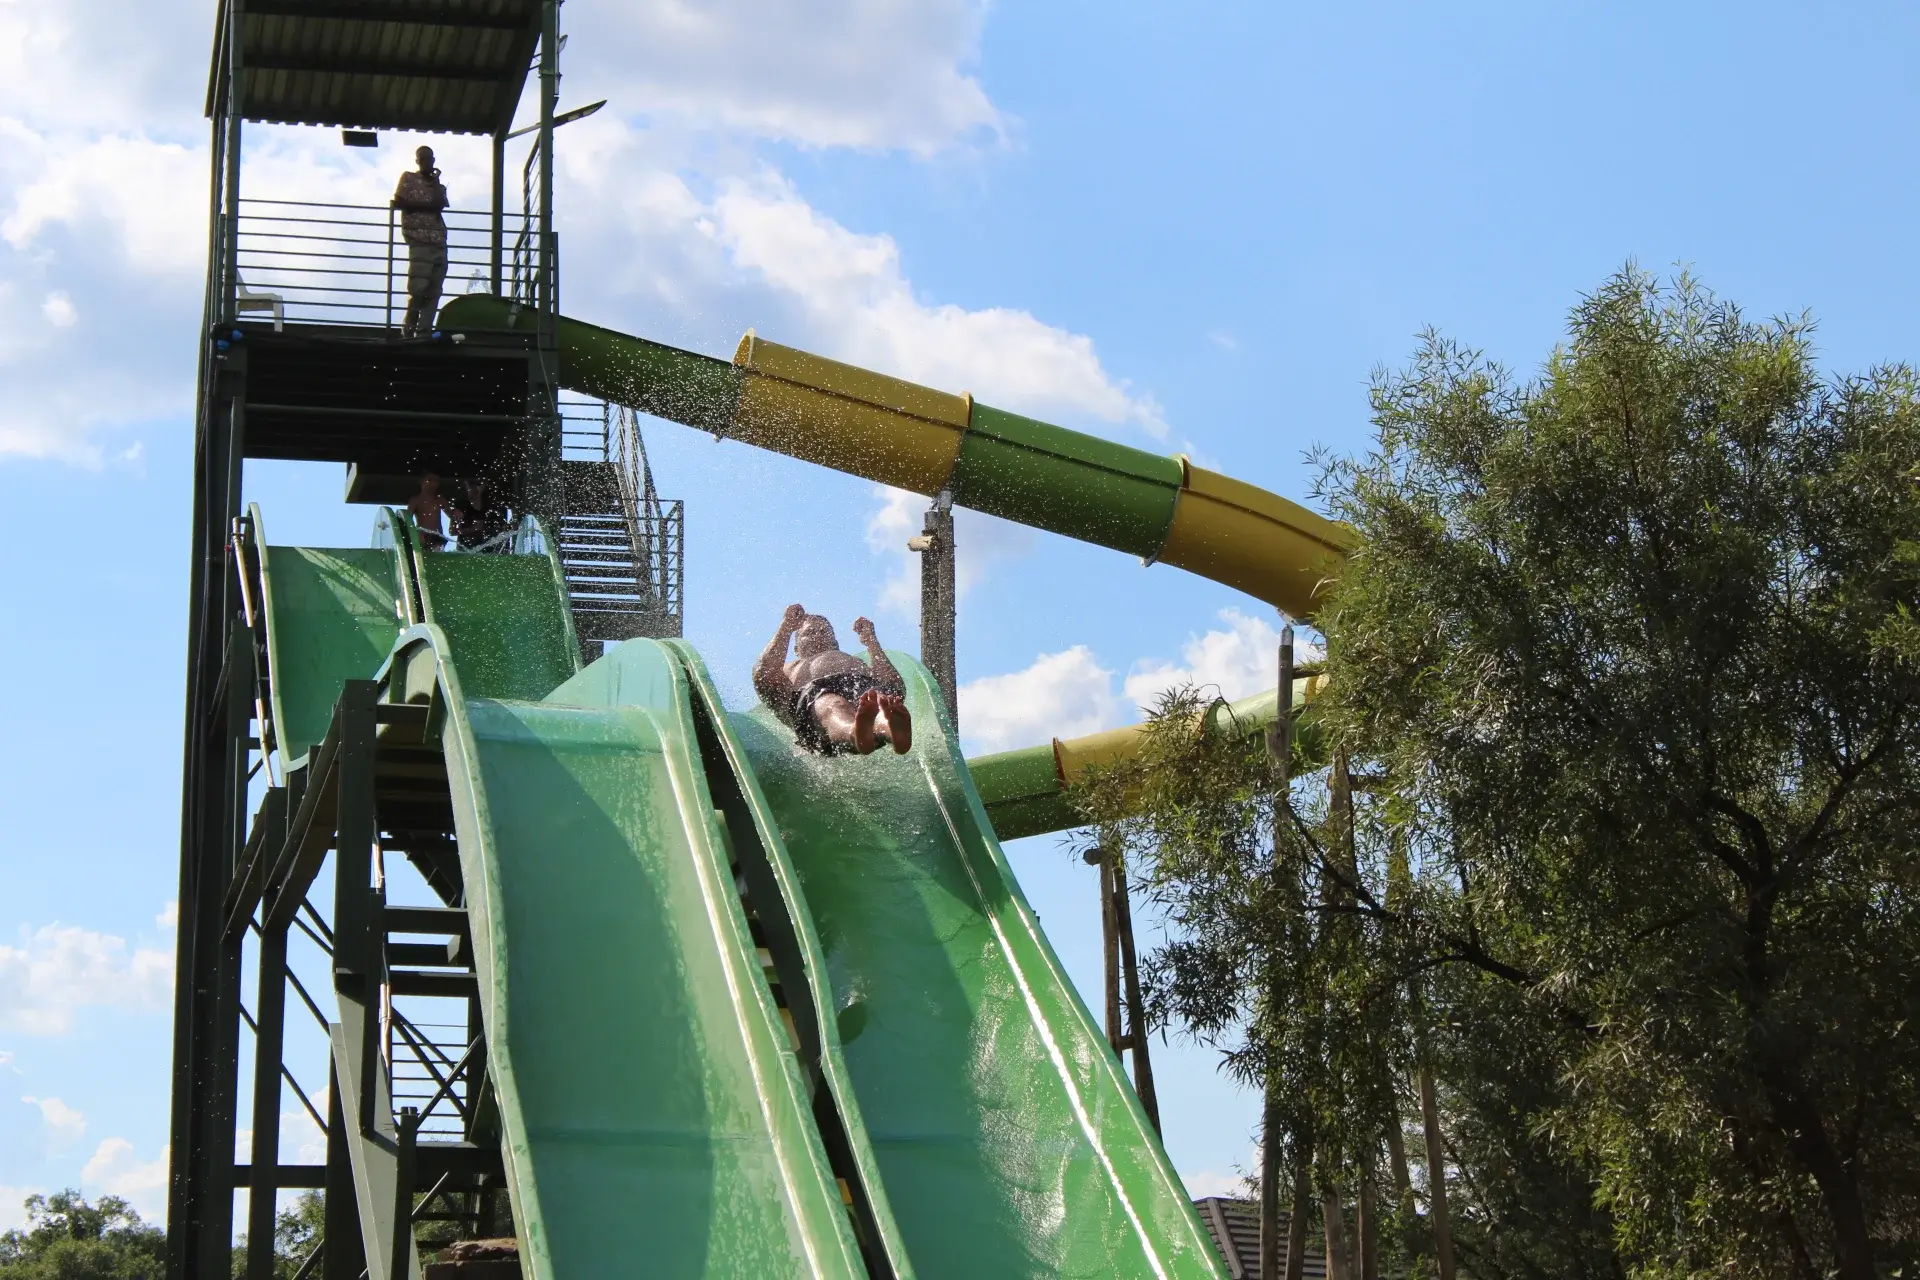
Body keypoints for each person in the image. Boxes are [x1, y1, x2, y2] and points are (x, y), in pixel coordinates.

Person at [754, 605, 913, 756]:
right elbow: (763, 676)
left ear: (835, 643)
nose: (818, 635)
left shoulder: (855, 661)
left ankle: (891, 730)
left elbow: (894, 686)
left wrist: (871, 642)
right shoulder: (789, 667)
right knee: (834, 705)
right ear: (796, 648)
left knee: (879, 699)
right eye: (809, 632)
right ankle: (855, 732)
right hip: (816, 697)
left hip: (861, 684)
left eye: (824, 631)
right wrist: (786, 627)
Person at [391, 146, 449, 338]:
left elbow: (439, 204)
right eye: (422, 159)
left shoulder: (438, 186)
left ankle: (424, 331)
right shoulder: (408, 178)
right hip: (419, 239)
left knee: (434, 290)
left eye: (429, 159)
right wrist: (427, 206)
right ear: (417, 161)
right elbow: (399, 202)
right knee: (418, 288)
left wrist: (435, 181)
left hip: (438, 240)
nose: (426, 162)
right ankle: (409, 330)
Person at [448, 477, 511, 550]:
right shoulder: (460, 505)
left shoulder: (491, 505)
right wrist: (469, 530)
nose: (473, 489)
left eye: (477, 486)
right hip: (465, 546)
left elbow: (479, 513)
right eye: (470, 485)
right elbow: (451, 531)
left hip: (484, 546)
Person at [407, 472, 447, 549]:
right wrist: (415, 534)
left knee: (438, 554)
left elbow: (453, 516)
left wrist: (457, 514)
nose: (433, 483)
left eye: (435, 481)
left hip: (438, 536)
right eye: (430, 480)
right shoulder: (415, 500)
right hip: (423, 536)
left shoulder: (440, 501)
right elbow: (408, 520)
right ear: (421, 481)